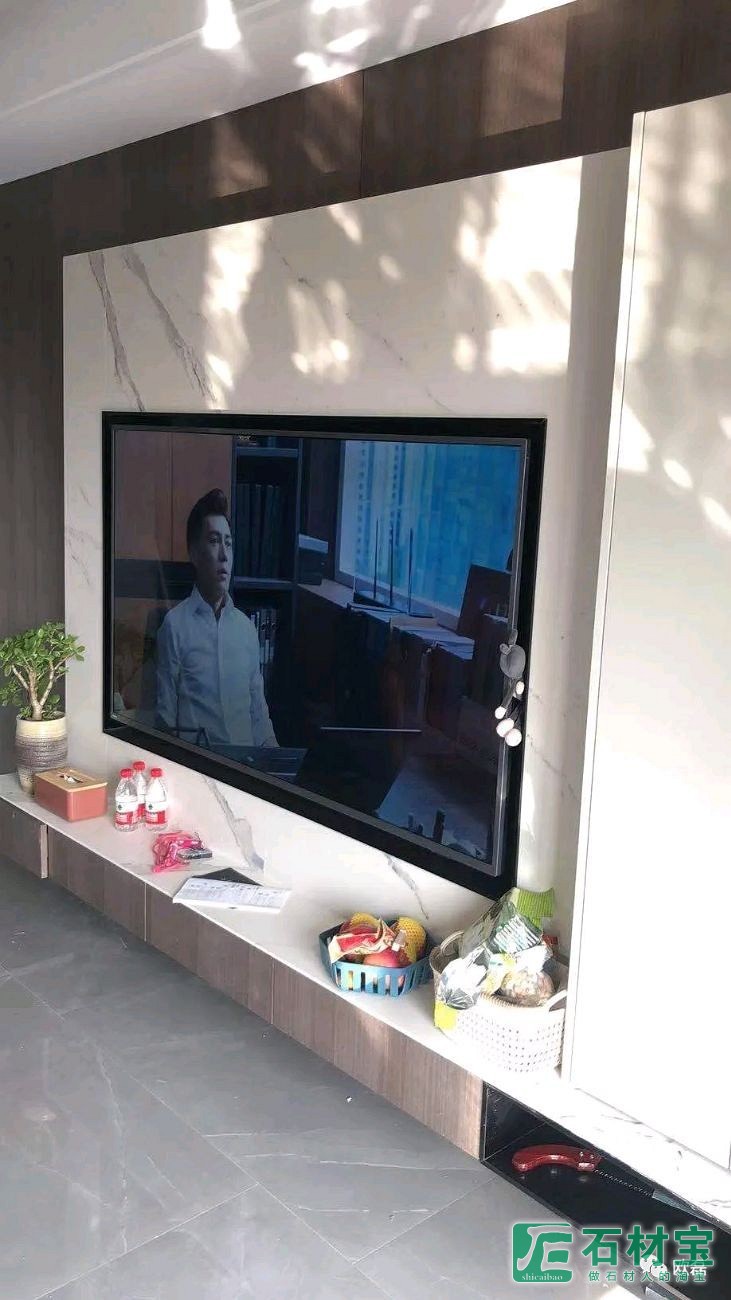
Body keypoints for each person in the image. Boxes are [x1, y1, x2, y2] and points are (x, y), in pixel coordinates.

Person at [156, 489, 277, 748]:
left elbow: (259, 717)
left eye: (228, 543)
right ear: (194, 553)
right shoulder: (175, 626)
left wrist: (277, 763)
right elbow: (164, 721)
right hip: (197, 764)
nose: (224, 555)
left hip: (247, 765)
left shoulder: (246, 630)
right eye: (214, 541)